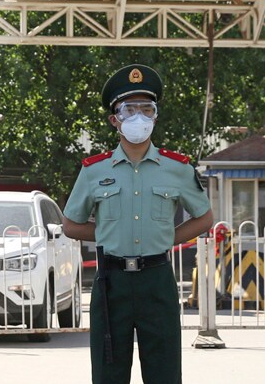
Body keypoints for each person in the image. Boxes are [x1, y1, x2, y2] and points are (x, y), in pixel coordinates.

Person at [62, 64, 213, 384]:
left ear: (156, 116)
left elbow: (204, 218)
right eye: (130, 109)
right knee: (109, 372)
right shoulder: (93, 170)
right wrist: (106, 231)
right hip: (111, 283)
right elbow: (71, 225)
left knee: (164, 371)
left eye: (147, 109)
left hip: (157, 281)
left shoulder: (177, 168)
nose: (139, 117)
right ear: (114, 119)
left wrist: (166, 237)